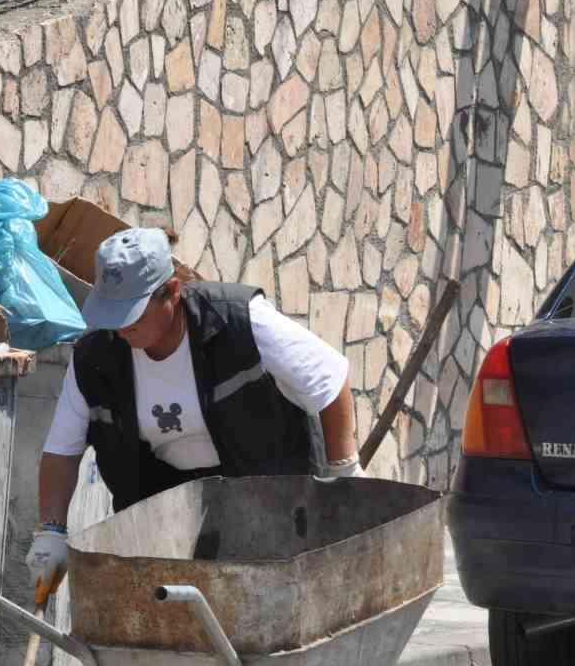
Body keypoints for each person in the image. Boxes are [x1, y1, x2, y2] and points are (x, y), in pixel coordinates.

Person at [27, 226, 362, 596]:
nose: (120, 328)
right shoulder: (95, 358)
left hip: (268, 495)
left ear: (171, 292)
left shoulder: (239, 321)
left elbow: (331, 379)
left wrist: (344, 476)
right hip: (170, 509)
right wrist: (51, 532)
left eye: (132, 314)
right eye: (112, 313)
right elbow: (62, 450)